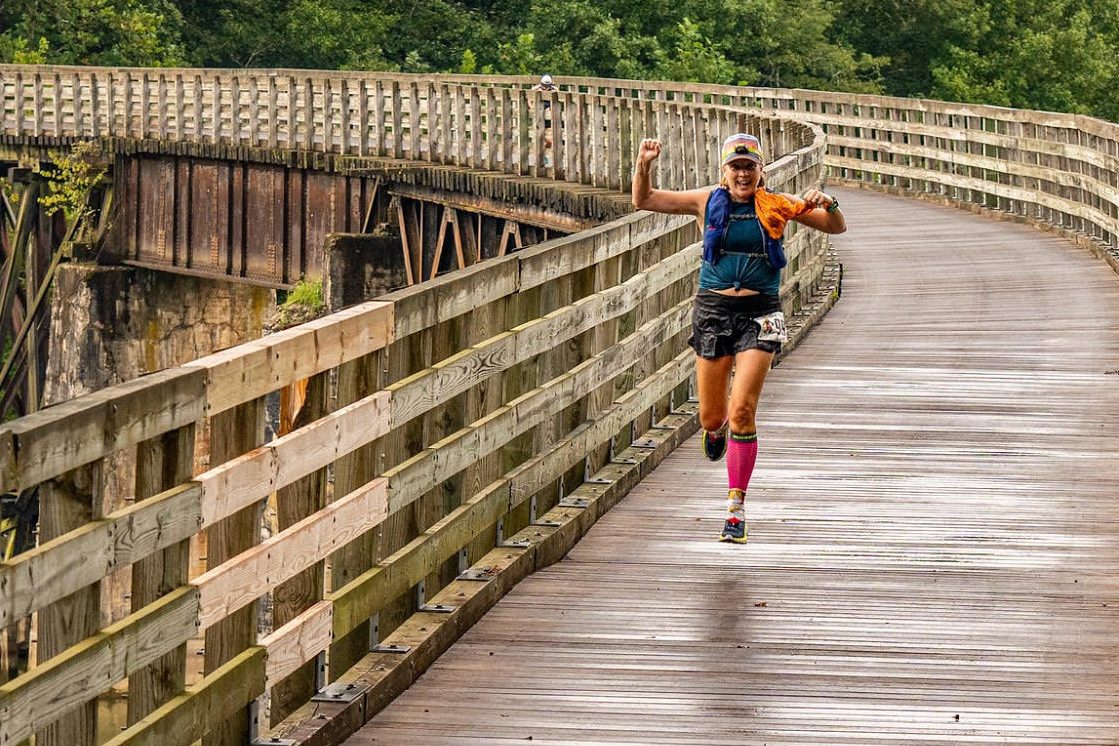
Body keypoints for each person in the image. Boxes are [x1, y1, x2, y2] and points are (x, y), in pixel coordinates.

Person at [631, 133, 846, 543]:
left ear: (761, 171)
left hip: (762, 312)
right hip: (713, 311)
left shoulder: (778, 204)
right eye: (736, 166)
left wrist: (828, 203)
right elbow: (644, 200)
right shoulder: (705, 201)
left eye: (750, 166)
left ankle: (736, 509)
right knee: (714, 416)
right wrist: (644, 165)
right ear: (724, 171)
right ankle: (715, 433)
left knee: (743, 409)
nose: (743, 173)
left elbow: (836, 227)